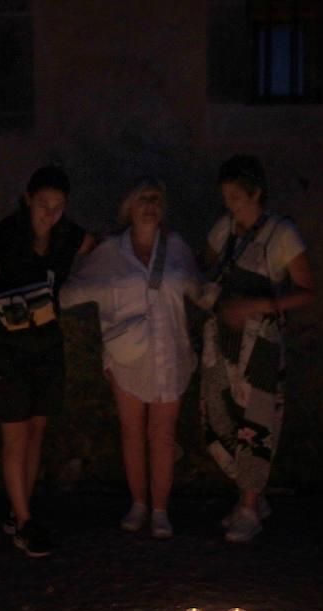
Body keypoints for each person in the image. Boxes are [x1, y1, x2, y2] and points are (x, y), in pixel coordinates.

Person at [0, 166, 96, 557]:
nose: (49, 215)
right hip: (6, 353)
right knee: (15, 436)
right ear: (28, 199)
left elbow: (97, 245)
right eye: (43, 206)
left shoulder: (66, 236)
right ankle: (23, 522)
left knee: (36, 430)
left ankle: (21, 510)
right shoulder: (2, 238)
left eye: (57, 208)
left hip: (46, 350)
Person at [61, 177, 204, 538]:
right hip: (127, 356)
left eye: (156, 199)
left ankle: (160, 510)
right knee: (132, 433)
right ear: (129, 207)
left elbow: (199, 290)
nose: (150, 205)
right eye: (143, 199)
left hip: (169, 351)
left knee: (163, 434)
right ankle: (138, 503)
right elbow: (72, 292)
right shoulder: (111, 252)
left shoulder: (176, 247)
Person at [200, 155, 314, 543]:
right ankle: (252, 492)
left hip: (260, 344)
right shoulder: (224, 230)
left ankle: (248, 506)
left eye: (236, 196)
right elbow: (210, 270)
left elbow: (306, 291)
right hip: (223, 341)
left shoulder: (281, 234)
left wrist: (258, 306)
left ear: (256, 193)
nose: (230, 204)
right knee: (220, 416)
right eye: (226, 197)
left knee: (256, 423)